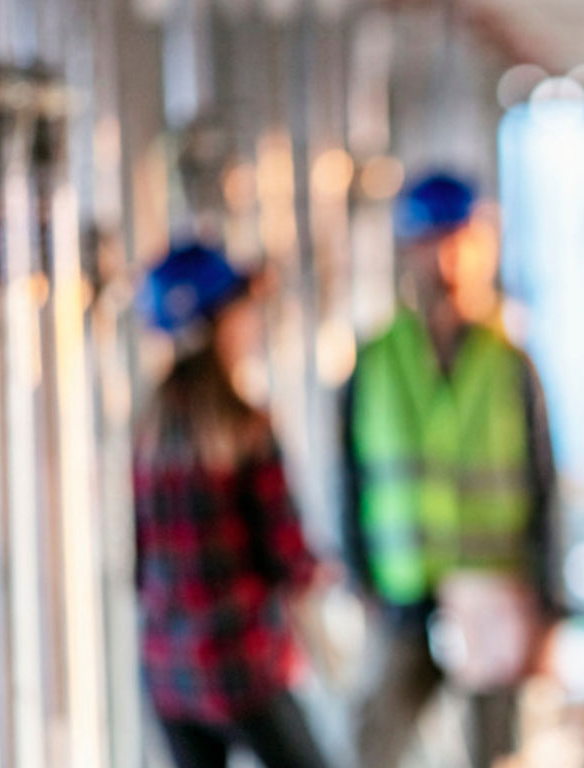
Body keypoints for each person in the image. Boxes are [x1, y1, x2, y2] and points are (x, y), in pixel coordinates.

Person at [342, 170, 561, 768]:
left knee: (497, 755)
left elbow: (546, 491)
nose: (445, 260)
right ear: (407, 250)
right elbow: (350, 481)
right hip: (402, 595)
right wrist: (360, 579)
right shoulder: (375, 364)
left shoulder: (510, 366)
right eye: (432, 242)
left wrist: (548, 607)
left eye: (459, 242)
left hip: (495, 591)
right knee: (372, 746)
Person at [133, 242, 331, 768]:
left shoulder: (149, 430)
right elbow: (286, 557)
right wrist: (325, 572)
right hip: (239, 668)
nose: (251, 323)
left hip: (168, 673)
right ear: (216, 324)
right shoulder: (247, 429)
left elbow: (137, 561)